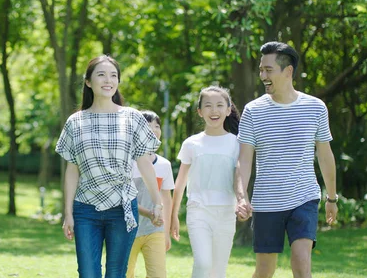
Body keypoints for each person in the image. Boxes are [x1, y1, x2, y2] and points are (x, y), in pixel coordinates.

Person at [55, 55, 164, 278]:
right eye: (101, 74)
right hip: (85, 208)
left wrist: (157, 202)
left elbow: (144, 163)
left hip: (122, 207)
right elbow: (72, 170)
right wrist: (68, 213)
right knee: (87, 273)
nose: (108, 80)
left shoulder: (132, 117)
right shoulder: (75, 122)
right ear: (88, 82)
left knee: (116, 273)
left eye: (113, 75)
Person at [236, 41, 338, 278]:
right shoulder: (253, 111)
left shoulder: (315, 107)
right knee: (264, 271)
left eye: (268, 70)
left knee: (301, 263)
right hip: (266, 201)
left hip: (304, 197)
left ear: (288, 71)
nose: (263, 75)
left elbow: (325, 154)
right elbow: (244, 161)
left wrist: (332, 197)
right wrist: (241, 196)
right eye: (261, 70)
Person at [170, 86, 248, 278]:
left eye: (220, 105)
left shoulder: (237, 143)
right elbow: (179, 184)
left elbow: (240, 176)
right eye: (208, 106)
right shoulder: (191, 143)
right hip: (199, 210)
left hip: (226, 213)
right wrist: (173, 216)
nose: (214, 111)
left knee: (218, 271)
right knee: (203, 264)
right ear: (200, 112)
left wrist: (242, 201)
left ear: (228, 110)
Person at [126, 110, 175, 278]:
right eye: (148, 125)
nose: (154, 129)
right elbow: (125, 197)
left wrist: (166, 231)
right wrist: (150, 213)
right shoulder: (126, 162)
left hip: (155, 231)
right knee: (123, 274)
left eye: (157, 125)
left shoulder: (164, 164)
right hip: (126, 230)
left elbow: (166, 200)